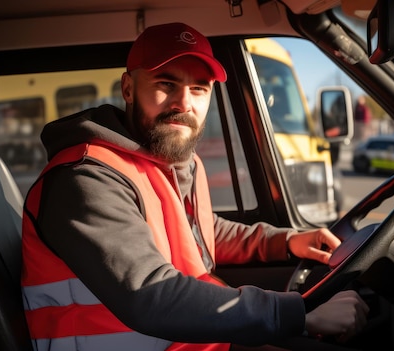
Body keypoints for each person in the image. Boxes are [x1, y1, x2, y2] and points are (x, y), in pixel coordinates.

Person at [21, 22, 369, 351]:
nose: (184, 104)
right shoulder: (85, 177)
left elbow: (201, 233)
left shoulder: (167, 161)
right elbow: (150, 295)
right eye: (165, 84)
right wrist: (296, 315)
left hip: (186, 339)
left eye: (198, 89)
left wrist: (286, 241)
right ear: (128, 88)